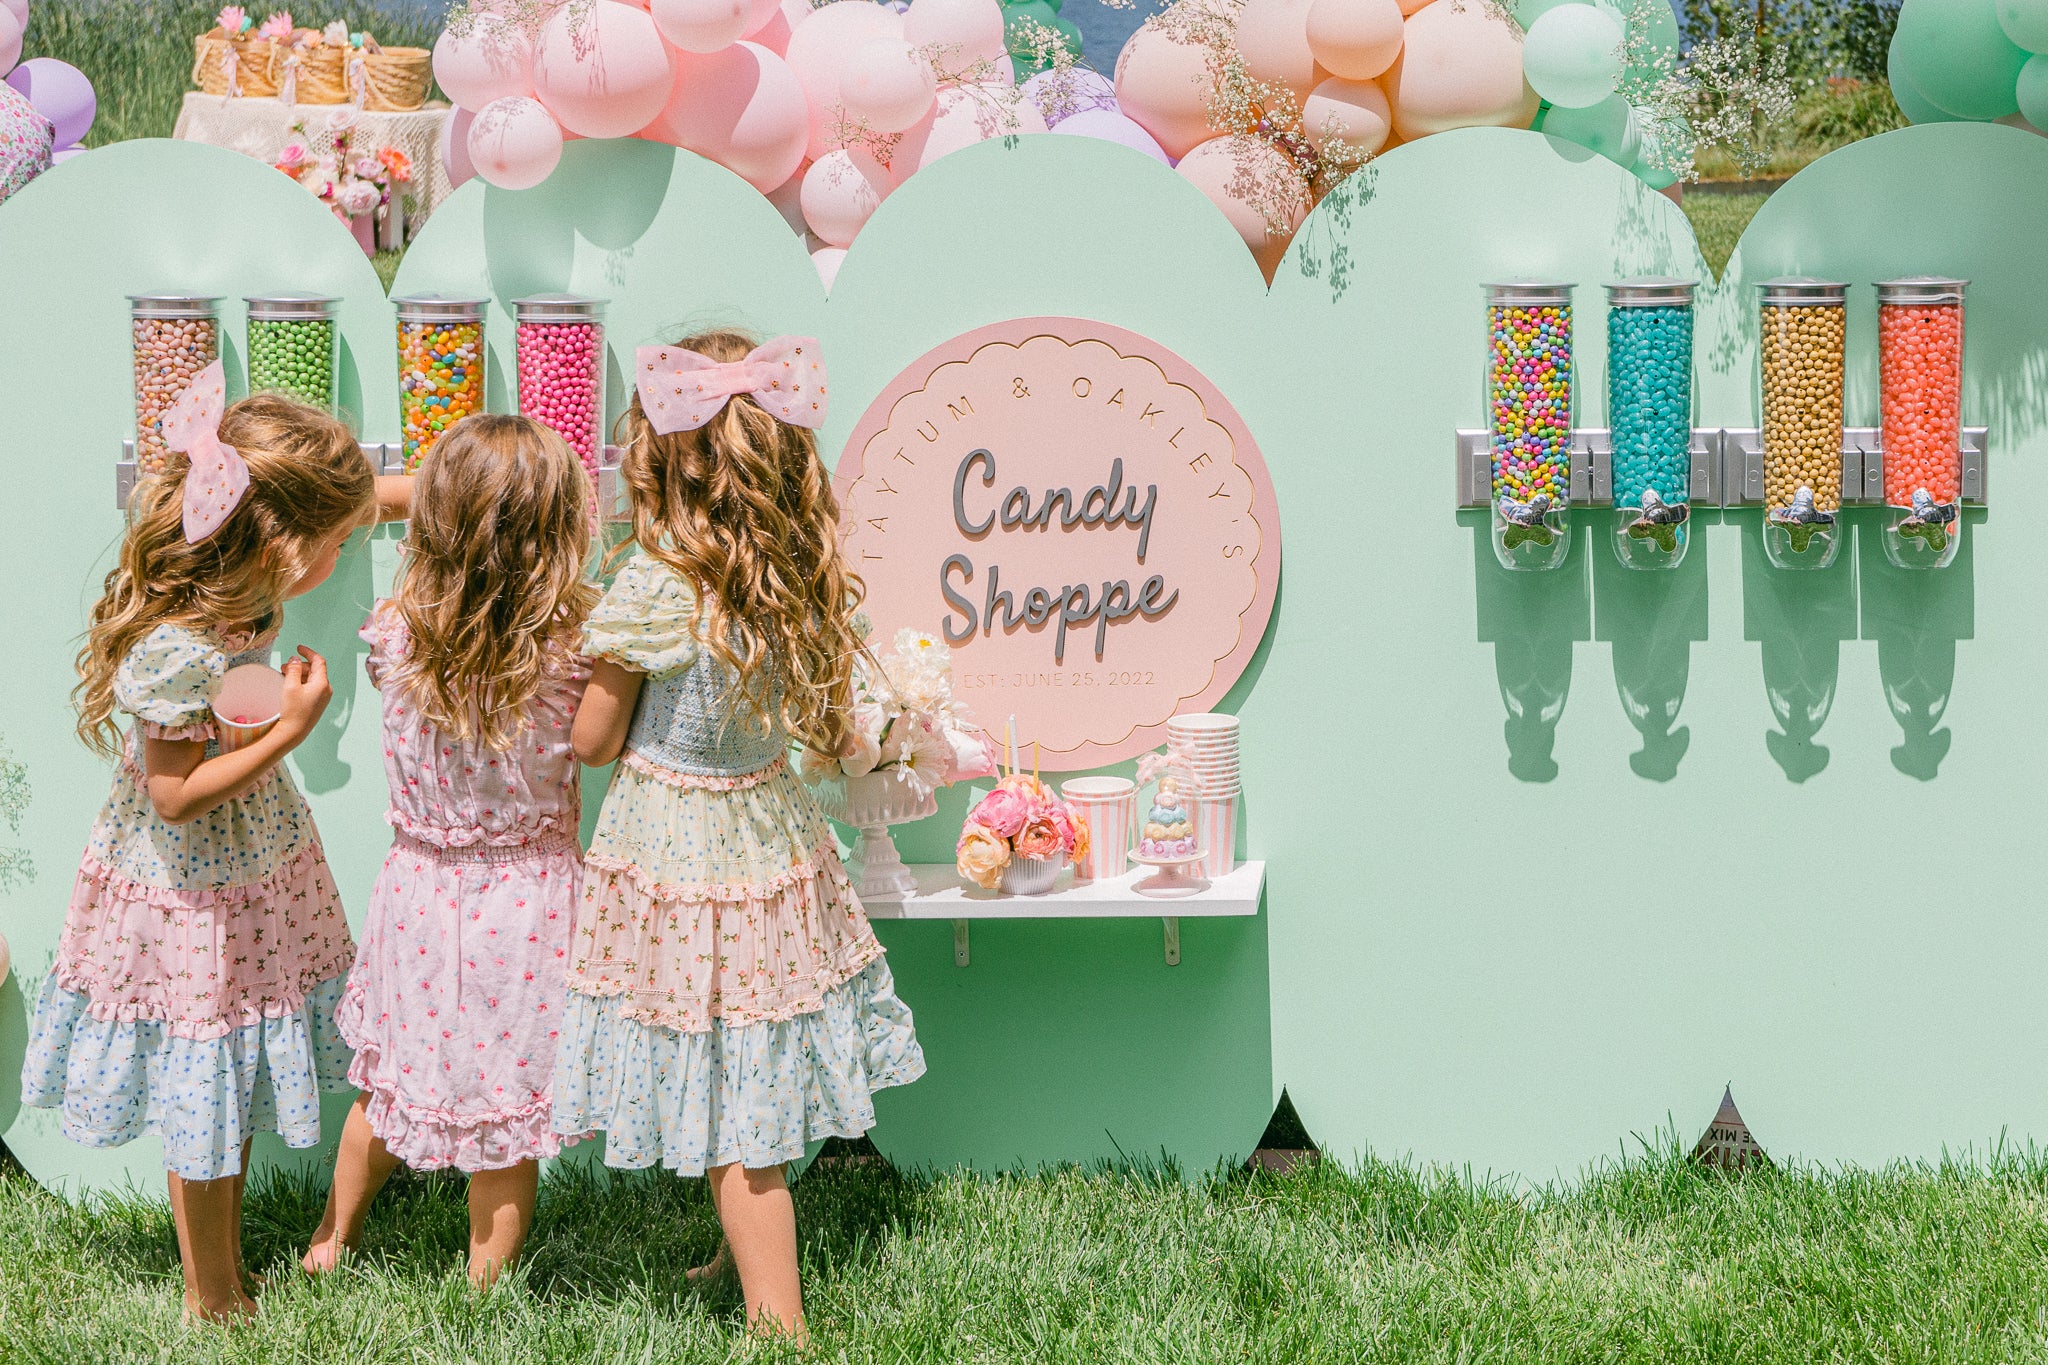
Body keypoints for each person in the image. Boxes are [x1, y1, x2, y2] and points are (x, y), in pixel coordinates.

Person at [554, 330, 924, 1338]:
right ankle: (736, 1249)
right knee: (752, 1052)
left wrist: (572, 680)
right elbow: (818, 724)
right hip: (766, 833)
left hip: (676, 852)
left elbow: (591, 743)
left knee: (729, 1104)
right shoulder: (790, 578)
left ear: (662, 460)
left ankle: (779, 1323)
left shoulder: (653, 587)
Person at [18, 364, 402, 1321]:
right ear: (280, 539)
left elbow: (365, 496)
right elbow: (174, 792)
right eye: (340, 538)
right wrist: (290, 730)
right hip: (187, 890)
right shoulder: (178, 643)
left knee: (221, 1073)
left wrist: (469, 482)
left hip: (247, 867)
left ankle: (222, 1273)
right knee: (202, 1077)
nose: (349, 545)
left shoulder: (238, 596)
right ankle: (210, 1292)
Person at [300, 416, 597, 1289]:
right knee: (505, 1117)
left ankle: (331, 1237)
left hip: (420, 894)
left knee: (386, 1087)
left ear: (430, 522)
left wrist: (427, 496)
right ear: (558, 530)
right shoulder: (574, 650)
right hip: (531, 903)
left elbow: (370, 510)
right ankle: (483, 1283)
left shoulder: (397, 632)